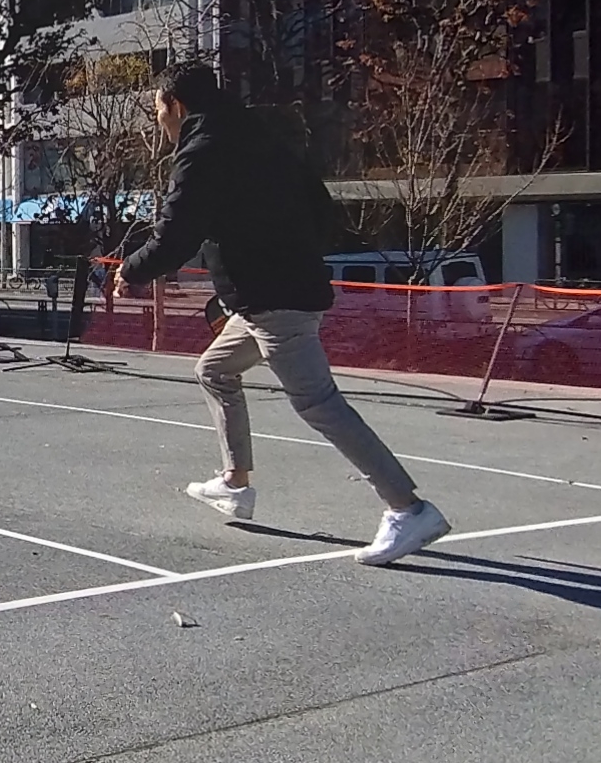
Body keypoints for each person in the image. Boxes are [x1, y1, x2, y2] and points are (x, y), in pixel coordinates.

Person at [114, 61, 449, 567]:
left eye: (158, 111)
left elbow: (176, 234)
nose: (158, 122)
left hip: (275, 300)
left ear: (175, 105)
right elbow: (319, 204)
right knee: (214, 370)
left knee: (318, 403)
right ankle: (235, 484)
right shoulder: (260, 136)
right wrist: (288, 253)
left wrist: (131, 271)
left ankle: (407, 508)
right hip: (265, 297)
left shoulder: (203, 151)